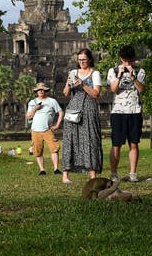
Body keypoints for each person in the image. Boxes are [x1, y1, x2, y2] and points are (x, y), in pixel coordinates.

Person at [61, 48, 103, 184]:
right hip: (73, 110)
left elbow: (96, 94)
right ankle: (65, 175)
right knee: (69, 140)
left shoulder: (95, 73)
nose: (81, 62)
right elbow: (66, 94)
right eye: (79, 60)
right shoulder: (73, 72)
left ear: (90, 59)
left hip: (89, 109)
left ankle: (92, 175)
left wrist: (83, 84)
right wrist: (68, 84)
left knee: (90, 140)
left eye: (84, 60)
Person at [107, 45, 146, 183]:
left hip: (134, 111)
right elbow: (113, 89)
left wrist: (133, 77)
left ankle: (133, 174)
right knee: (116, 144)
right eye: (124, 60)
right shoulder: (113, 70)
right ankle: (113, 173)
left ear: (133, 59)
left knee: (134, 144)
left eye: (129, 61)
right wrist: (119, 75)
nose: (127, 63)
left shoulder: (140, 71)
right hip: (118, 112)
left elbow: (141, 90)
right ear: (120, 58)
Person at [26, 82, 64, 175]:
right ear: (36, 91)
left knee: (54, 148)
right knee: (37, 150)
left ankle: (56, 168)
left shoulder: (52, 101)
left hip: (48, 129)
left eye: (42, 89)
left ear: (45, 91)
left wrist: (57, 125)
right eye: (39, 90)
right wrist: (35, 108)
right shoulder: (32, 102)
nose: (41, 91)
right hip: (35, 130)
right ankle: (42, 170)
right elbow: (28, 116)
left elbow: (61, 112)